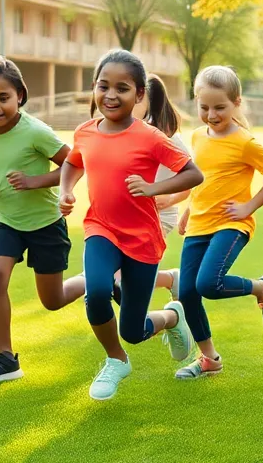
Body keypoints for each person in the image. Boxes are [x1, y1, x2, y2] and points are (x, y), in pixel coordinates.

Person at [58, 50, 204, 401]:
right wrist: (65, 190)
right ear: (93, 88)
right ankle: (115, 359)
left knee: (134, 329)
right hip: (101, 228)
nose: (111, 95)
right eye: (103, 86)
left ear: (140, 95)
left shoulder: (150, 137)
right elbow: (73, 162)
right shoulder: (85, 132)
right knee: (96, 293)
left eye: (122, 88)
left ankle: (171, 317)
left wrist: (153, 188)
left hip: (142, 240)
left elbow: (193, 173)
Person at [0, 55, 84, 385]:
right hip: (7, 221)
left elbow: (75, 164)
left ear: (20, 95)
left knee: (52, 301)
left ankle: (99, 281)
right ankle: (6, 358)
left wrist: (35, 181)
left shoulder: (36, 131)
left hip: (45, 224)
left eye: (3, 97)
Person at [173, 65, 263, 379]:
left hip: (232, 224)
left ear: (237, 102)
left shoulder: (245, 142)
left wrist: (249, 205)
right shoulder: (197, 136)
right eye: (204, 106)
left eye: (220, 107)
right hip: (199, 223)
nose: (211, 114)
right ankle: (209, 359)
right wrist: (187, 210)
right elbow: (204, 180)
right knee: (187, 294)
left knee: (208, 283)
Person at [127, 73, 192, 300]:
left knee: (129, 277)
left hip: (159, 216)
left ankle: (171, 286)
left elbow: (191, 182)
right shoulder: (129, 133)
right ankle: (172, 279)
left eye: (138, 98)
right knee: (124, 276)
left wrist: (169, 198)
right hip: (132, 213)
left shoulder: (169, 139)